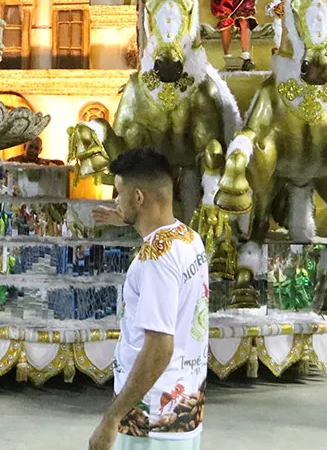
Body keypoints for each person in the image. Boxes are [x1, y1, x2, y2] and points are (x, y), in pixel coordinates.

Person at [89, 148, 209, 450]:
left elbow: (159, 346)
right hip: (185, 409)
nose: (116, 200)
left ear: (139, 198)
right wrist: (128, 219)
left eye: (120, 193)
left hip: (151, 417)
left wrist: (112, 418)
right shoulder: (188, 238)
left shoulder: (156, 259)